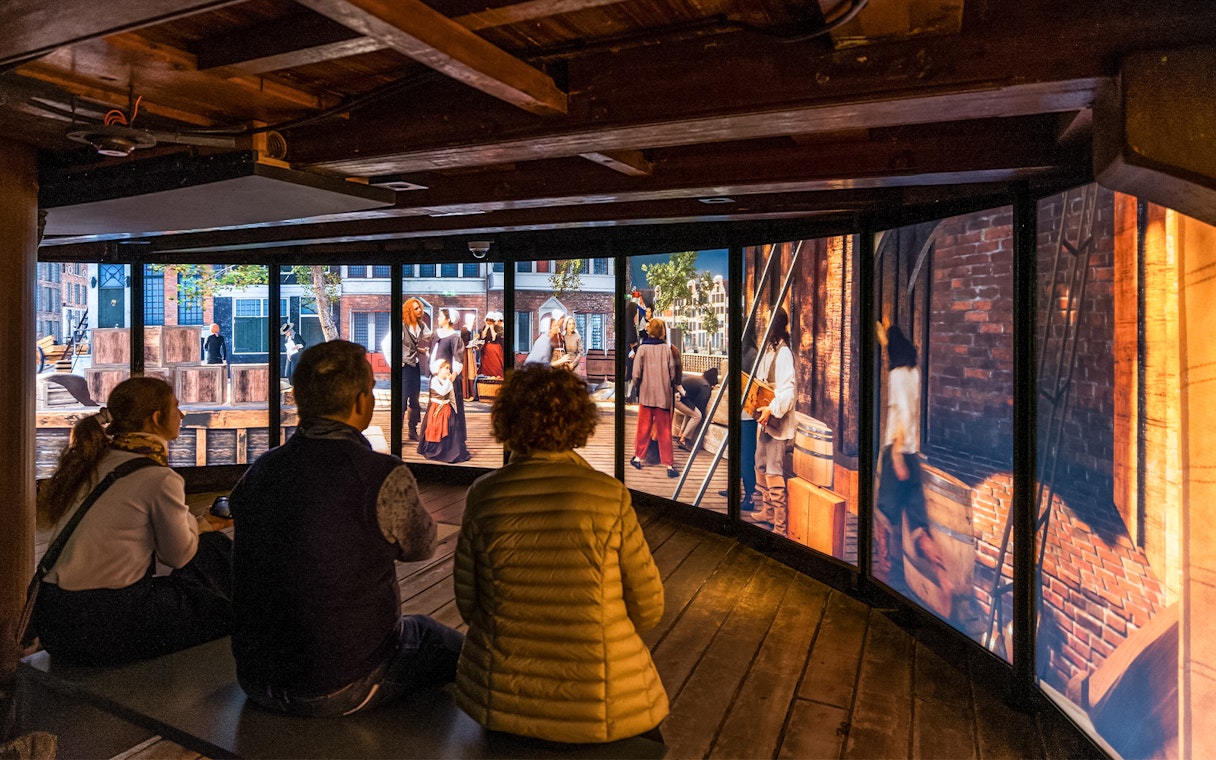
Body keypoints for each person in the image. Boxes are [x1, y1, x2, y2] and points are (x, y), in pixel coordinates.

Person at [229, 340, 464, 717]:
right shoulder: (379, 474)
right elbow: (422, 547)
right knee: (441, 641)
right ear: (361, 403)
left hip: (257, 678)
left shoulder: (261, 470)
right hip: (344, 681)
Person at [455, 365, 668, 745]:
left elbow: (469, 604)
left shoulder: (483, 496)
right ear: (577, 420)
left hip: (503, 704)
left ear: (507, 420)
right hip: (604, 706)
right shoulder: (608, 496)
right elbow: (649, 607)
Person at [33, 376, 232, 665]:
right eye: (176, 408)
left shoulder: (95, 464)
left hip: (55, 623)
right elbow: (178, 555)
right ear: (155, 418)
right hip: (106, 626)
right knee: (223, 601)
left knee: (209, 547)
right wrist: (195, 526)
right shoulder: (159, 477)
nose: (181, 415)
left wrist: (200, 525)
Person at [874, 321, 953, 598]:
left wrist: (895, 455)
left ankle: (881, 574)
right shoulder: (914, 373)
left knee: (883, 519)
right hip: (913, 454)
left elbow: (901, 413)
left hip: (896, 452)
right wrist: (885, 335)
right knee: (919, 527)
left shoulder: (896, 374)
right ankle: (943, 576)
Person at [751, 306, 796, 536]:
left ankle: (779, 524)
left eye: (767, 321)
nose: (763, 325)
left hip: (777, 422)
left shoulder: (784, 353)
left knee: (773, 469)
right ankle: (767, 512)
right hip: (765, 420)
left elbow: (787, 391)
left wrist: (772, 408)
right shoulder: (769, 350)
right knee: (760, 463)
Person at [420, 308, 471, 462]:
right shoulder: (436, 334)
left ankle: (449, 448)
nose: (438, 319)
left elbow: (458, 359)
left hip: (448, 380)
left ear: (448, 319)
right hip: (436, 378)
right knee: (434, 409)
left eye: (441, 317)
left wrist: (451, 377)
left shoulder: (455, 337)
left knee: (449, 412)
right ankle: (431, 443)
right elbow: (433, 352)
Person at [630, 318, 678, 477]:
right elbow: (672, 373)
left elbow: (636, 374)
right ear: (662, 331)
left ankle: (638, 457)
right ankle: (669, 466)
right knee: (665, 431)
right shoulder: (667, 349)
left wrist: (639, 387)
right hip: (663, 397)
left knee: (643, 429)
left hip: (647, 395)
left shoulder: (642, 349)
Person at [398, 298, 432, 442]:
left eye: (419, 307)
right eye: (416, 308)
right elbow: (388, 344)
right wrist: (396, 361)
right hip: (404, 367)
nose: (419, 310)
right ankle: (397, 432)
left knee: (415, 399)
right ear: (409, 311)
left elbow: (431, 337)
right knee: (402, 399)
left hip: (415, 365)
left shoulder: (421, 325)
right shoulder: (402, 326)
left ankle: (412, 430)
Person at [675, 366, 718, 450]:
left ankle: (681, 435)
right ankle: (683, 440)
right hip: (678, 398)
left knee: (692, 413)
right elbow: (701, 404)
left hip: (676, 396)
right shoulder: (705, 385)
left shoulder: (699, 380)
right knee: (697, 415)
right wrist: (706, 417)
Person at [419, 360, 457, 452]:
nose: (448, 371)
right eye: (446, 368)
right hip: (436, 408)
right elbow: (442, 391)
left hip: (447, 408)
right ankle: (434, 449)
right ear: (439, 369)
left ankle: (445, 449)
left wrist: (455, 410)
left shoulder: (448, 382)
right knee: (435, 427)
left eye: (449, 369)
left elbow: (452, 396)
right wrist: (449, 381)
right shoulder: (435, 380)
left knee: (450, 426)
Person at [477, 311, 505, 378]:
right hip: (486, 349)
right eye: (487, 320)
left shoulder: (498, 328)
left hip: (495, 349)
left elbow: (494, 338)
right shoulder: (484, 327)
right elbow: (483, 336)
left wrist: (492, 328)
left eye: (491, 321)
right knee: (486, 366)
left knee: (496, 365)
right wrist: (486, 328)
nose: (489, 322)